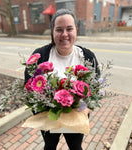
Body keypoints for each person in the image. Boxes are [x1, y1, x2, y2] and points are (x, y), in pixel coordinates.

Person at [25, 9, 100, 150]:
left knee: (76, 146)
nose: (64, 34)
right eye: (59, 29)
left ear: (76, 30)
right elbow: (29, 87)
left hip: (76, 116)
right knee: (49, 146)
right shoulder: (40, 56)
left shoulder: (87, 57)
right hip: (49, 116)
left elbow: (96, 88)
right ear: (52, 32)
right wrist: (42, 111)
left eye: (69, 29)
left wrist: (86, 109)